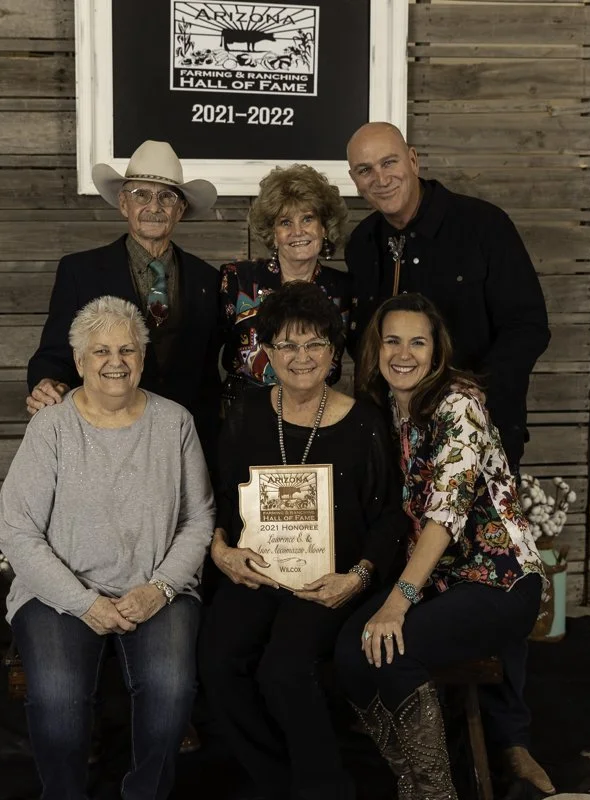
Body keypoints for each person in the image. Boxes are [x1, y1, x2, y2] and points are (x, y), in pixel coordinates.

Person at [345, 121, 553, 795]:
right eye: (365, 170)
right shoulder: (363, 243)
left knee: (485, 560)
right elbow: (373, 341)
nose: (380, 178)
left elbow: (528, 325)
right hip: (403, 433)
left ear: (413, 159)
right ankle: (420, 736)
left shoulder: (481, 225)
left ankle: (509, 738)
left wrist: (469, 395)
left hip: (474, 430)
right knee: (414, 587)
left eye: (389, 163)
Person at [0, 296, 215, 800]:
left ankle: (145, 793)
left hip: (156, 587)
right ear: (78, 362)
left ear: (143, 357)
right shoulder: (51, 427)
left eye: (127, 350)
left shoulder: (175, 422)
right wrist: (84, 602)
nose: (116, 361)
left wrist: (160, 588)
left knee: (171, 688)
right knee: (59, 696)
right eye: (101, 351)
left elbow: (198, 518)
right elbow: (15, 529)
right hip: (59, 593)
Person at [200, 281, 407, 800]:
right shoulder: (245, 412)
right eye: (287, 344)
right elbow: (223, 495)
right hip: (257, 572)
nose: (302, 357)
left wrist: (357, 577)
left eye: (315, 343)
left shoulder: (364, 422)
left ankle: (325, 787)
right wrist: (220, 549)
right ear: (268, 353)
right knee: (217, 662)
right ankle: (276, 781)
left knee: (283, 670)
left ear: (333, 353)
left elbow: (389, 518)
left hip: (329, 580)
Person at [25, 139, 222, 457]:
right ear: (123, 204)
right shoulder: (80, 272)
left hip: (187, 441)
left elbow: (211, 372)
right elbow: (53, 355)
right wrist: (47, 382)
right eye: (141, 194)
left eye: (167, 197)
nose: (154, 207)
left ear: (180, 210)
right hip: (101, 439)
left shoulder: (208, 280)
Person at [218, 164, 353, 411]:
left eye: (308, 219)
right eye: (285, 222)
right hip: (244, 414)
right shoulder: (238, 279)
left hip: (317, 414)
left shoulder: (344, 288)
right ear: (273, 233)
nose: (298, 231)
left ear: (324, 227)